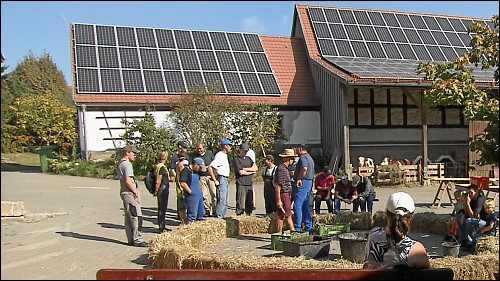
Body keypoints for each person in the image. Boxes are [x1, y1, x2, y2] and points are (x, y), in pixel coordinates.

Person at [363, 192, 430, 269]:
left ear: (386, 214)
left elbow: (367, 266)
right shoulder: (417, 250)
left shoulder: (373, 236)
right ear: (411, 218)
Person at [116, 145, 148, 247]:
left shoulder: (120, 164)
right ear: (127, 152)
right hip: (129, 193)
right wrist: (135, 191)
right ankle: (137, 239)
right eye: (133, 153)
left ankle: (131, 238)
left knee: (128, 217)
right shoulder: (127, 164)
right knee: (135, 216)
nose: (135, 155)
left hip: (125, 192)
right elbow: (128, 180)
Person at [457, 184, 488, 251]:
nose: (469, 195)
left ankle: (470, 243)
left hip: (483, 222)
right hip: (476, 218)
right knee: (459, 215)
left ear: (476, 191)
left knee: (468, 221)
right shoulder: (471, 198)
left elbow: (473, 216)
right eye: (468, 193)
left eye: (471, 193)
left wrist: (468, 204)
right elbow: (467, 211)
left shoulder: (480, 200)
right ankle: (463, 240)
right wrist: (464, 214)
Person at [208, 138, 232, 218]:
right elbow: (210, 167)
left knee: (225, 201)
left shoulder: (225, 155)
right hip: (221, 178)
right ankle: (218, 217)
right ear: (225, 146)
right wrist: (215, 180)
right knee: (222, 200)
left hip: (225, 179)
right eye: (229, 146)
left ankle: (222, 216)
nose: (230, 148)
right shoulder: (219, 155)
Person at [293, 144, 314, 233]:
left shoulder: (303, 157)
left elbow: (304, 168)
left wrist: (299, 178)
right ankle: (308, 226)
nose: (296, 150)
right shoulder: (309, 157)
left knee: (297, 205)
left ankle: (297, 228)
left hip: (304, 182)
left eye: (297, 149)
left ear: (301, 149)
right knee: (305, 205)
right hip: (309, 181)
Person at [274, 149, 296, 233]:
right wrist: (279, 200)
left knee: (283, 214)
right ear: (288, 158)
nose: (293, 160)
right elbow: (278, 185)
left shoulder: (284, 169)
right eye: (292, 158)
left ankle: (279, 233)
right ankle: (293, 232)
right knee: (286, 215)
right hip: (283, 194)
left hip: (285, 193)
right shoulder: (281, 169)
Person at [169, 140, 191, 224]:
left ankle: (187, 213)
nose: (185, 149)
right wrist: (177, 177)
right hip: (179, 178)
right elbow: (172, 169)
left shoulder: (187, 156)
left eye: (186, 148)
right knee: (180, 195)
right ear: (180, 147)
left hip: (187, 178)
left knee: (187, 195)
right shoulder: (175, 156)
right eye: (184, 147)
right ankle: (180, 214)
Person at [233, 143, 258, 215]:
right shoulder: (237, 159)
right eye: (244, 151)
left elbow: (255, 168)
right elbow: (241, 172)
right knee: (240, 202)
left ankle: (248, 215)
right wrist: (251, 171)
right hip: (241, 183)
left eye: (246, 151)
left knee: (249, 202)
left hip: (249, 183)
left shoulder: (248, 158)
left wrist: (245, 169)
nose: (245, 152)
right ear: (240, 150)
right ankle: (239, 215)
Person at [193, 141, 216, 217]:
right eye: (197, 149)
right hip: (201, 177)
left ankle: (215, 210)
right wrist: (199, 169)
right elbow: (194, 166)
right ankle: (207, 210)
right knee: (204, 195)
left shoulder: (209, 153)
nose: (199, 150)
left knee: (214, 194)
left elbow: (214, 163)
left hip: (210, 176)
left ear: (204, 148)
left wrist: (207, 168)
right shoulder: (195, 156)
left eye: (200, 148)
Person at [179, 157, 206, 222]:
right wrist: (190, 192)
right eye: (199, 166)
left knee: (201, 213)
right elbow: (182, 183)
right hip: (192, 196)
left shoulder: (196, 171)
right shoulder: (186, 170)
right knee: (192, 214)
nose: (200, 168)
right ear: (195, 164)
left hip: (199, 195)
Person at [153, 151, 171, 233]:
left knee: (162, 208)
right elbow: (158, 180)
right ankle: (161, 227)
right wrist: (156, 190)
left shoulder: (157, 166)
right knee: (162, 209)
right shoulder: (162, 167)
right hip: (163, 188)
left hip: (162, 188)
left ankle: (162, 225)